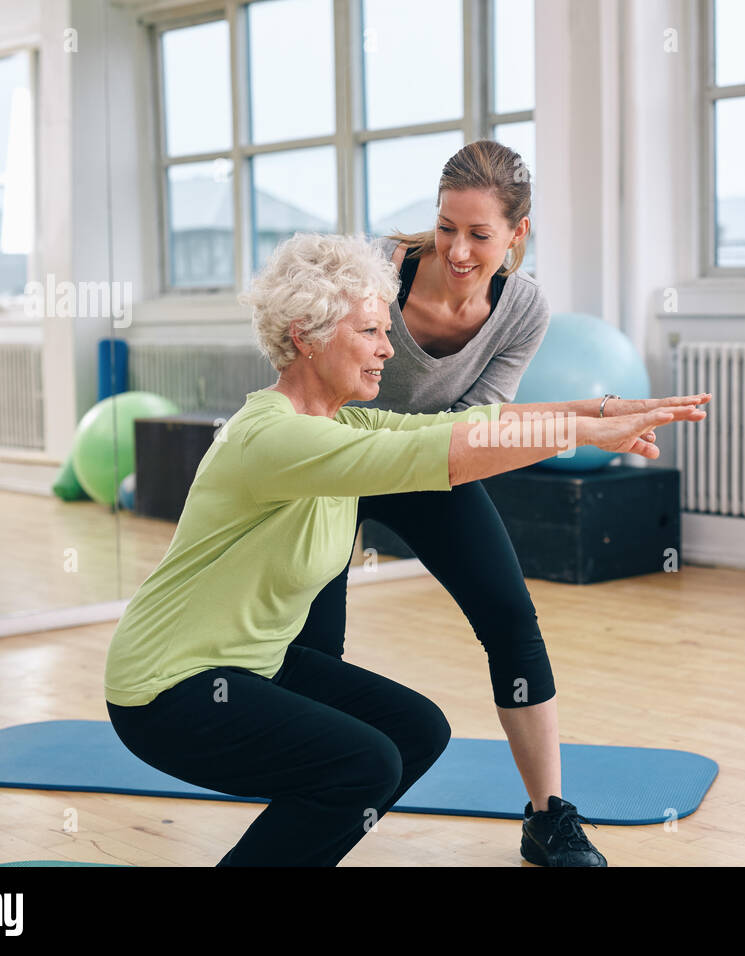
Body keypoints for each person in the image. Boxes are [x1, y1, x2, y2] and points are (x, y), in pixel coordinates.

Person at [103, 231, 709, 866]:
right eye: (369, 332)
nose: (389, 350)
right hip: (167, 688)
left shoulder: (341, 420)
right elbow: (442, 454)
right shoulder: (273, 439)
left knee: (415, 732)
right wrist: (580, 434)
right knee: (362, 764)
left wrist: (606, 409)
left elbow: (470, 424)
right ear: (306, 336)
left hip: (251, 664)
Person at [293, 139, 690, 866]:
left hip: (434, 464)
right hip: (340, 461)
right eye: (447, 227)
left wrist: (590, 419)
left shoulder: (522, 309)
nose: (459, 250)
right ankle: (313, 799)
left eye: (480, 234)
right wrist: (588, 416)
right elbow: (310, 377)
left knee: (510, 619)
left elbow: (476, 429)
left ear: (518, 234)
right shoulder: (378, 274)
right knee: (314, 647)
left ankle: (548, 817)